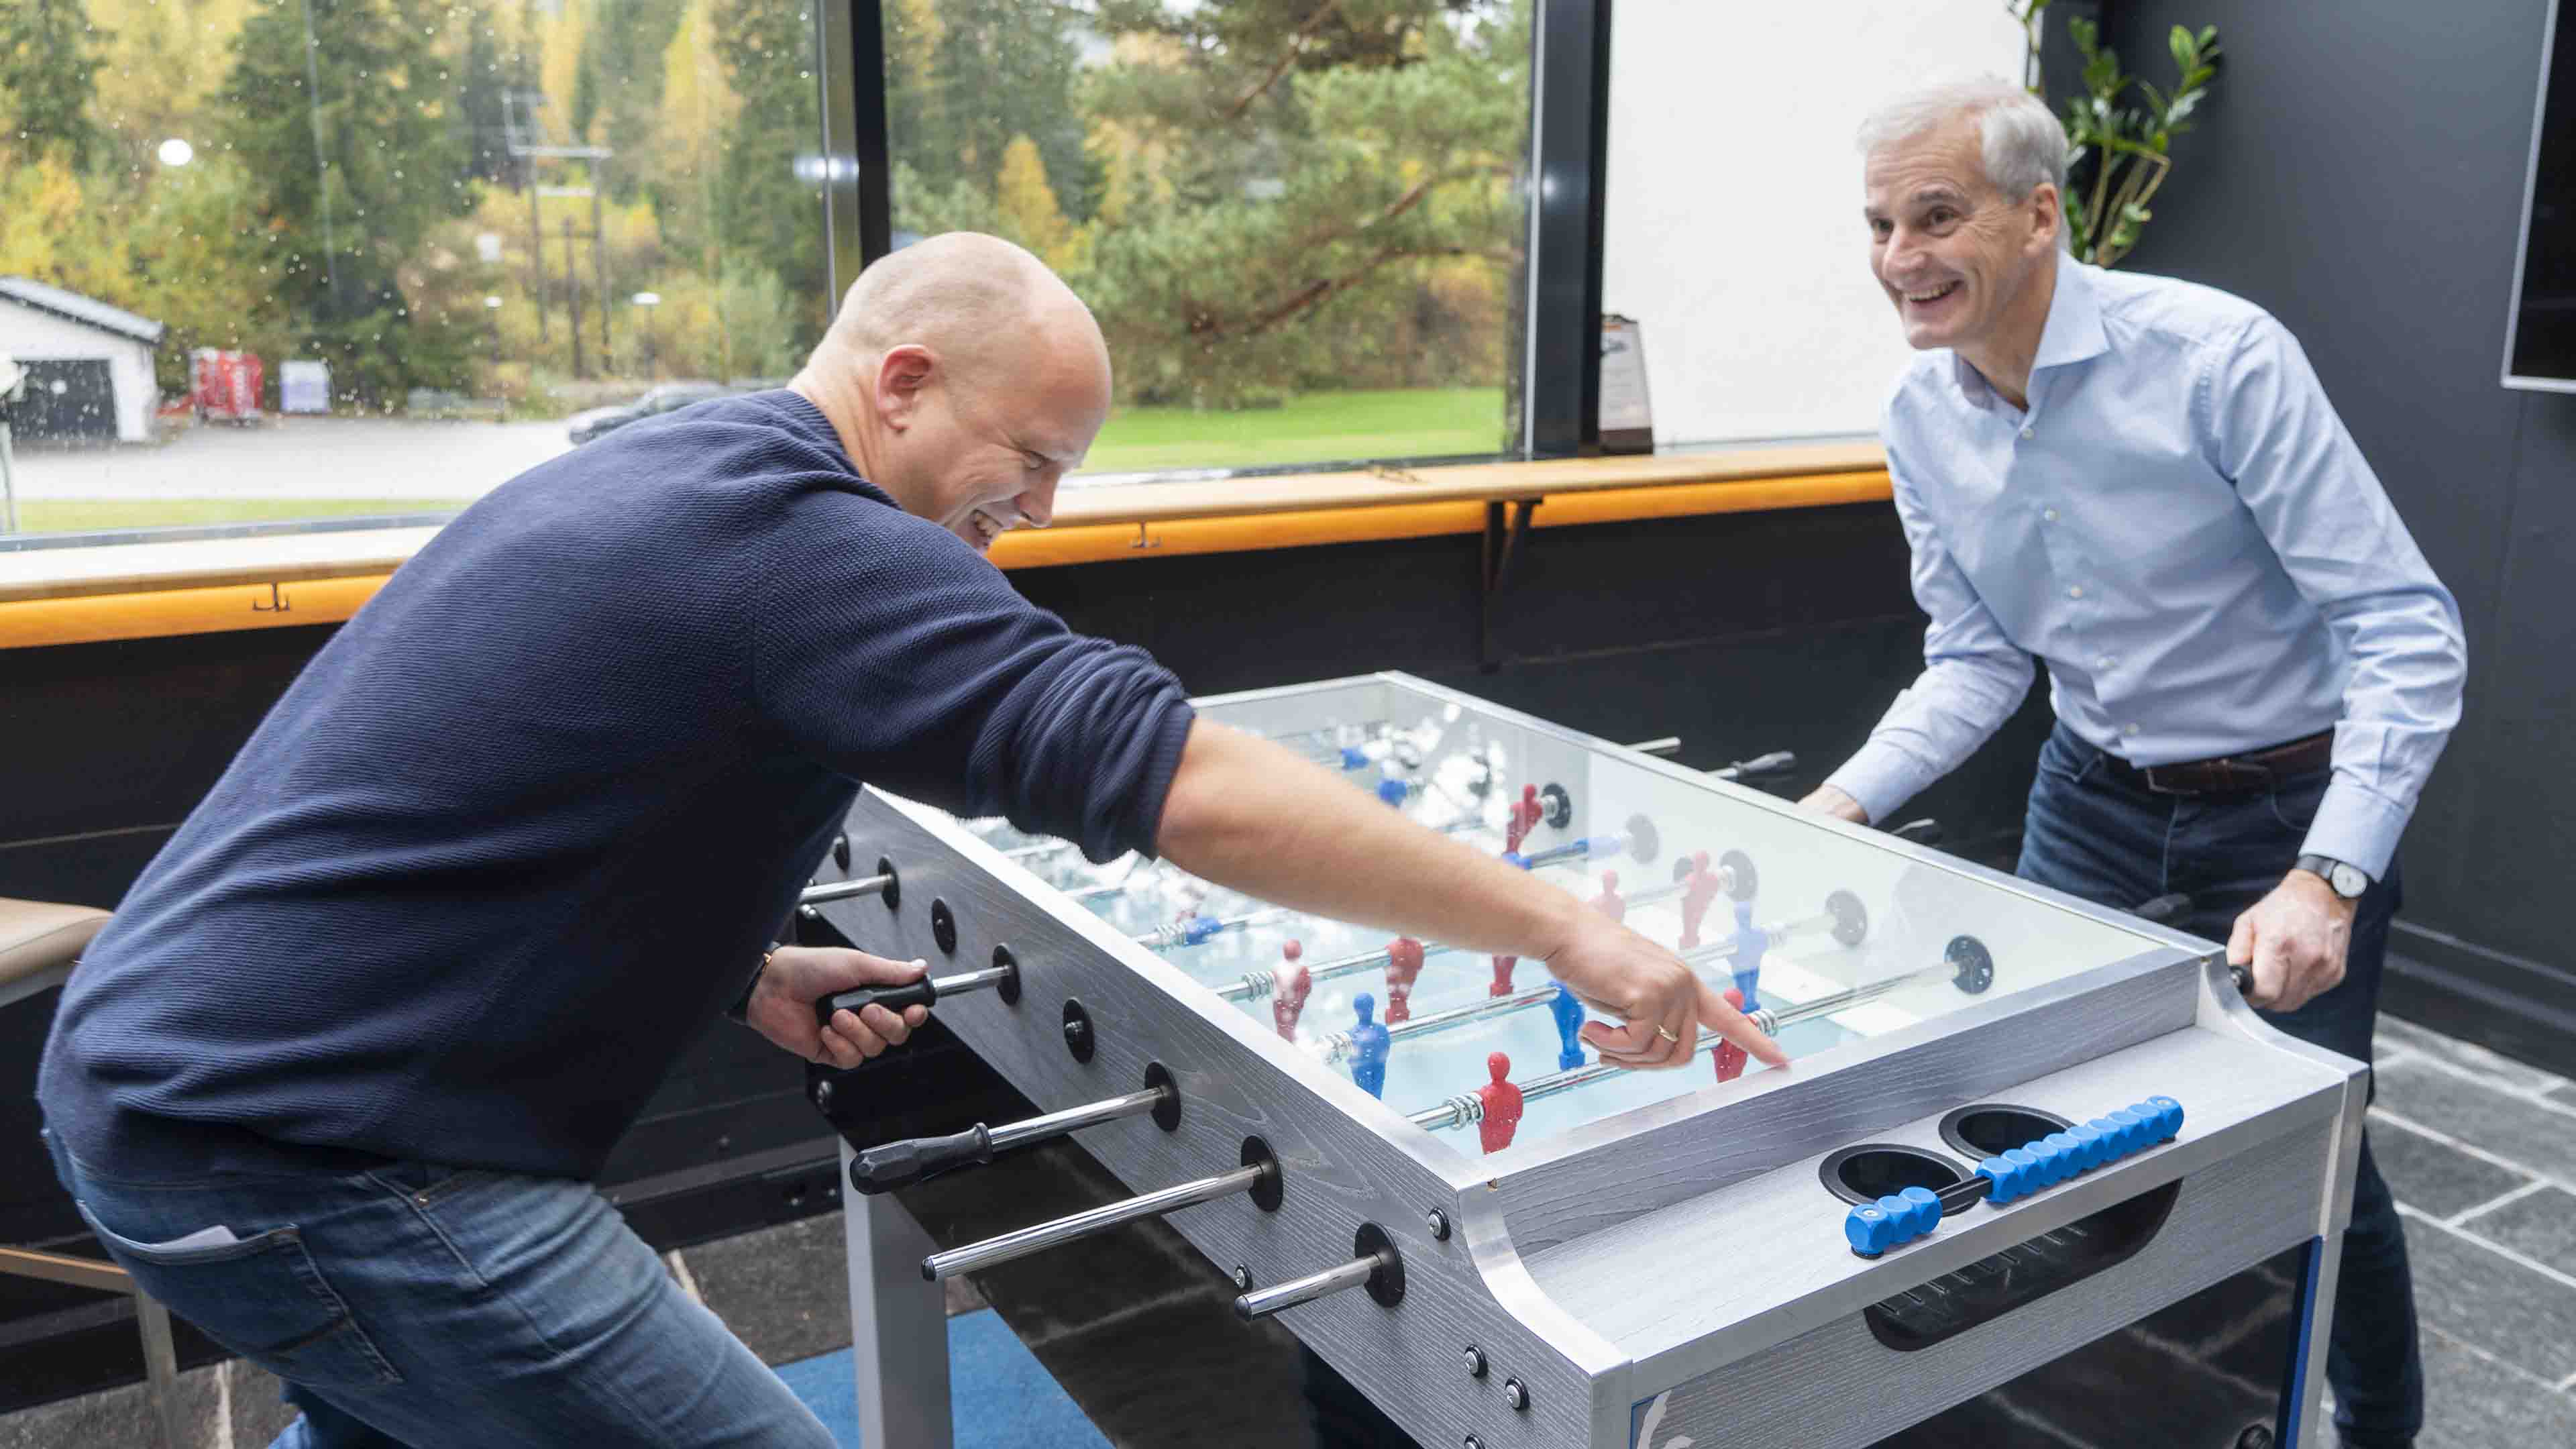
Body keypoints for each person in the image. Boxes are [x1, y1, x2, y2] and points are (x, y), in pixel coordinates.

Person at [37, 233, 1784, 1449]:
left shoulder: (680, 461)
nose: (1037, 514)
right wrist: (1563, 929)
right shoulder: (802, 543)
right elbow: (1176, 780)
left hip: (176, 1085)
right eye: (1030, 459)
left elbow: (520, 800)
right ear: (902, 380)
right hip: (307, 1152)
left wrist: (741, 965)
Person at [1804, 82, 2465, 1449]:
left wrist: (2327, 880)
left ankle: (2380, 1426)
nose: (1898, 258)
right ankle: (2115, 1397)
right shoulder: (1921, 418)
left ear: (2039, 214)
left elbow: (2406, 630)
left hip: (2289, 807)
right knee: (2053, 1122)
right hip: (2092, 800)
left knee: (2313, 1151)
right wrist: (1837, 805)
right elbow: (1980, 661)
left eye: (1937, 215)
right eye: (1879, 223)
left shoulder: (2219, 358)